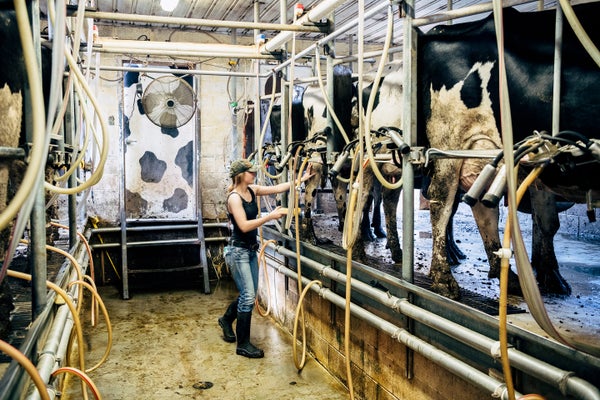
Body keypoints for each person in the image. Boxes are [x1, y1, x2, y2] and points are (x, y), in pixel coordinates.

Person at [219, 158, 313, 358]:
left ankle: (226, 320)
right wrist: (270, 217)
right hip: (238, 252)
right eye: (250, 172)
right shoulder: (235, 198)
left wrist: (301, 179)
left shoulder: (251, 190)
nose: (254, 174)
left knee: (249, 295)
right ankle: (242, 344)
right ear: (240, 175)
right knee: (248, 296)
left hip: (250, 249)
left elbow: (278, 188)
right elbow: (244, 226)